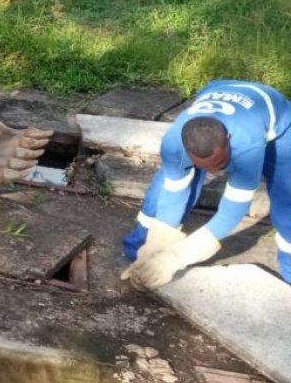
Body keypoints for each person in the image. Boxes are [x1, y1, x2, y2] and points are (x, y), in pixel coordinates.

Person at [121, 79, 290, 289]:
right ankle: (140, 247)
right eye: (202, 165)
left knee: (287, 203)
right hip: (218, 90)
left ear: (228, 140)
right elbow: (174, 195)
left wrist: (177, 257)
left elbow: (234, 208)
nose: (213, 172)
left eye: (219, 163)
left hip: (275, 117)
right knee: (165, 186)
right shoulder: (174, 143)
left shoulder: (247, 146)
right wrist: (158, 245)